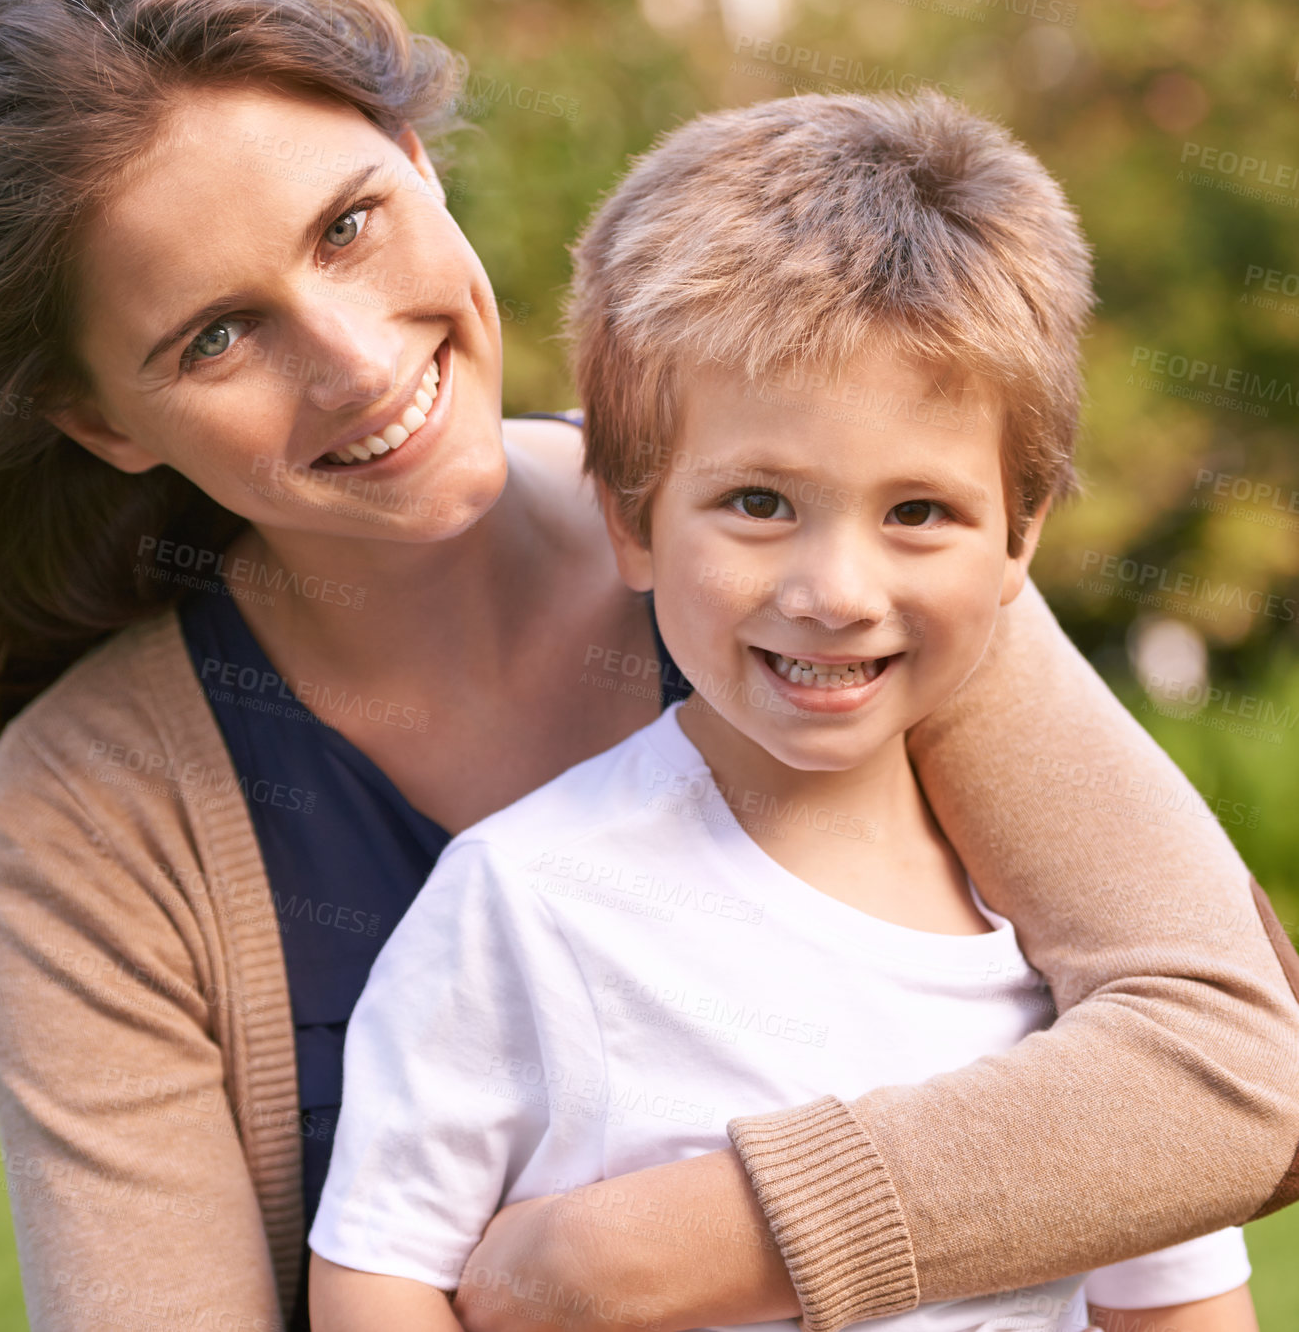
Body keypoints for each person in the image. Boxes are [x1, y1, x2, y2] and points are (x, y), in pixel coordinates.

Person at [0, 0, 1291, 1332]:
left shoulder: (828, 549)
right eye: (214, 337)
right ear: (101, 423)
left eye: (348, 223)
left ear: (417, 157)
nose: (359, 360)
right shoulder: (87, 823)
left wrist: (646, 1253)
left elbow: (1230, 1067)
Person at [305, 92, 1262, 1332]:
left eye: (919, 512)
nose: (834, 593)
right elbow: (381, 1274)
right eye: (758, 502)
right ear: (632, 520)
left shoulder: (1079, 953)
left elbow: (1176, 1304)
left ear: (1021, 537)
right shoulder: (523, 902)